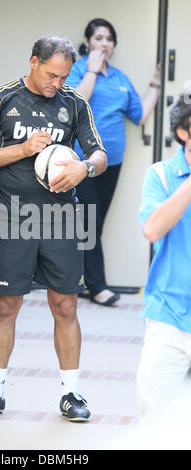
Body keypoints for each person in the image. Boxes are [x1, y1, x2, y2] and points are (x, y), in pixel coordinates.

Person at [0, 35, 107, 422]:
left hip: (62, 219)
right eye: (50, 74)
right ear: (33, 62)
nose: (55, 83)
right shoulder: (2, 98)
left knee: (65, 305)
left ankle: (72, 394)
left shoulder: (74, 103)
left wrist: (84, 167)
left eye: (62, 77)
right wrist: (24, 150)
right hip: (13, 215)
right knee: (6, 305)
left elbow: (100, 154)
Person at [66, 18, 161, 306]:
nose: (104, 43)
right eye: (98, 38)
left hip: (112, 162)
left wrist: (156, 84)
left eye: (109, 39)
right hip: (83, 161)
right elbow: (74, 103)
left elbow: (139, 115)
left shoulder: (120, 78)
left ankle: (82, 281)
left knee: (94, 223)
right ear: (87, 42)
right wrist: (92, 70)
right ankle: (97, 286)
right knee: (89, 223)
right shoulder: (77, 70)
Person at [136, 91, 191, 422]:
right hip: (170, 316)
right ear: (184, 132)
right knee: (154, 419)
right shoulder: (160, 175)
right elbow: (152, 229)